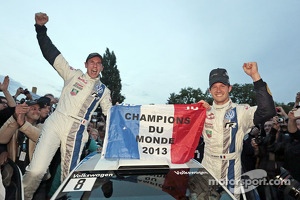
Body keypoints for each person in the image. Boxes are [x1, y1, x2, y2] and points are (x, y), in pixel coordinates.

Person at [22, 12, 112, 200]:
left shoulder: (104, 90)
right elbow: (52, 54)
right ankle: (25, 196)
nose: (95, 66)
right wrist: (40, 29)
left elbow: (111, 114)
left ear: (102, 68)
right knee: (36, 170)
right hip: (57, 121)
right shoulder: (74, 74)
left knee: (67, 178)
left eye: (99, 63)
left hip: (78, 129)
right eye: (92, 62)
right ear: (85, 64)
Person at [199, 63, 276, 199]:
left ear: (230, 88)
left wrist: (255, 76)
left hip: (231, 170)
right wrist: (195, 109)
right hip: (207, 168)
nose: (218, 90)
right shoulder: (202, 111)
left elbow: (267, 110)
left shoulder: (241, 111)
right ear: (209, 90)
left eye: (222, 86)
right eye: (214, 87)